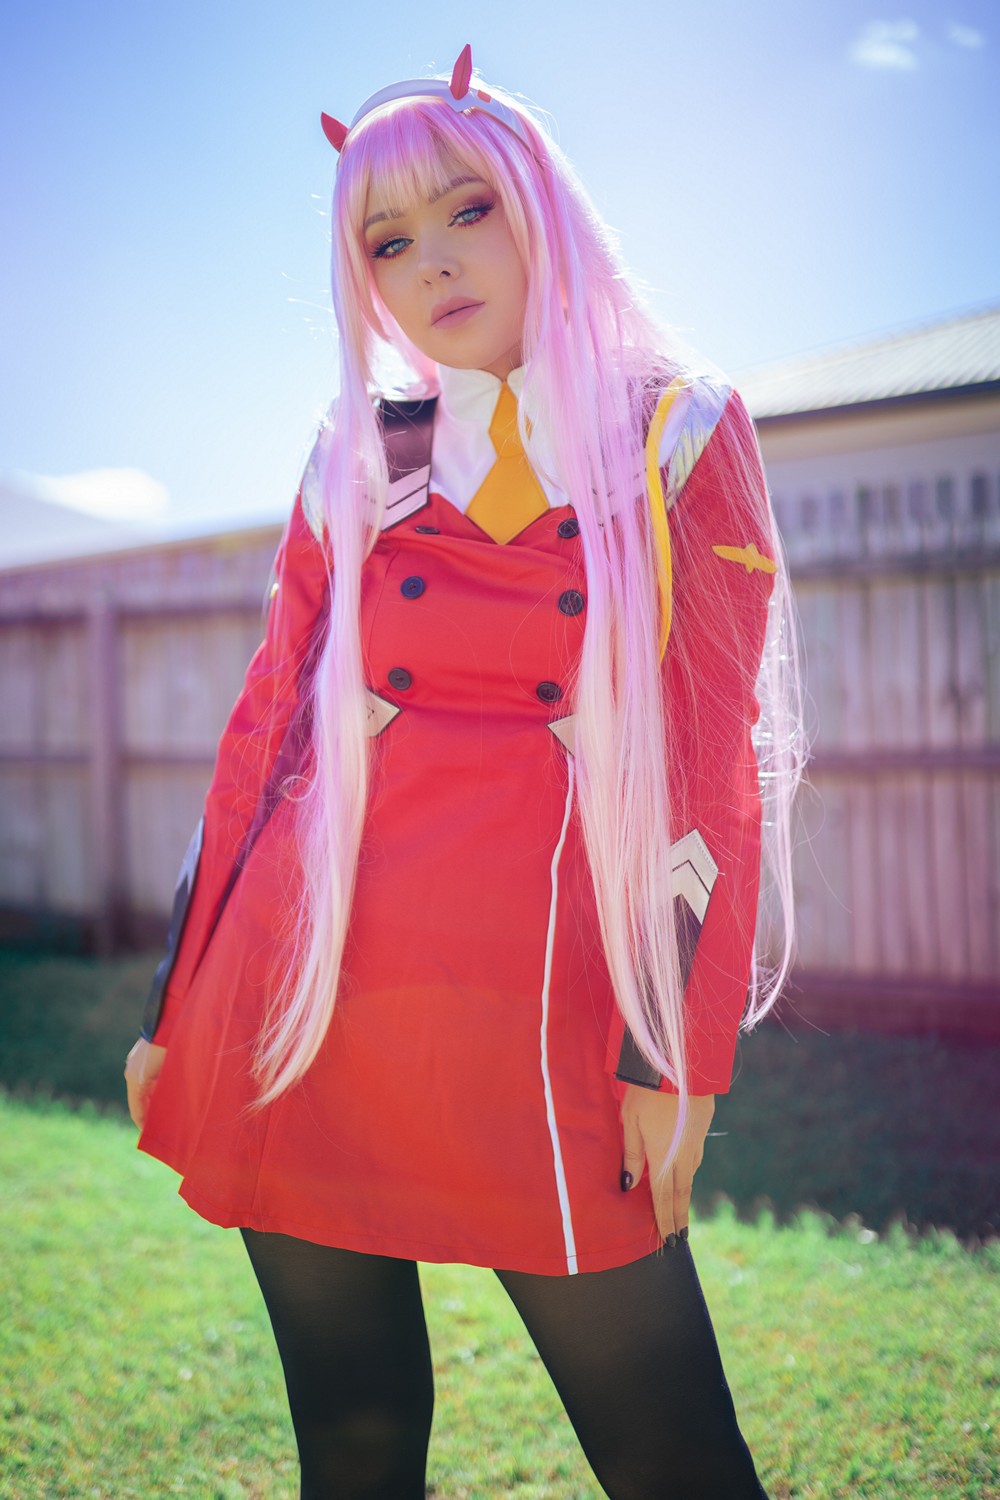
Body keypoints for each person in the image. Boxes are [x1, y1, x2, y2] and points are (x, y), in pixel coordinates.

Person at [125, 44, 803, 1500]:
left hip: (552, 1015)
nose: (431, 261)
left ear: (539, 206)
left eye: (468, 210)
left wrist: (674, 1060)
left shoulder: (683, 431)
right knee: (357, 1440)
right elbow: (265, 733)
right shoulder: (355, 450)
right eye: (388, 242)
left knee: (679, 1459)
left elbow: (712, 773)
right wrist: (172, 1009)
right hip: (308, 1002)